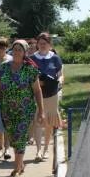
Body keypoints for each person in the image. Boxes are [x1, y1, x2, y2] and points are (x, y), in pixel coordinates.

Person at [0, 39, 45, 177]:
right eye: (14, 49)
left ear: (25, 52)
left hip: (24, 110)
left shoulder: (30, 69)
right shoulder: (3, 67)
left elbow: (37, 91)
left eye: (19, 50)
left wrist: (41, 111)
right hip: (7, 110)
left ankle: (16, 171)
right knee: (14, 138)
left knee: (20, 138)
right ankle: (20, 165)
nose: (16, 52)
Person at [29, 32, 64, 161]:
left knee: (49, 123)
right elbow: (28, 76)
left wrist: (60, 80)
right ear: (37, 44)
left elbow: (60, 74)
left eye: (45, 43)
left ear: (50, 44)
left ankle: (46, 150)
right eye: (40, 43)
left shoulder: (55, 58)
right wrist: (38, 82)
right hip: (37, 95)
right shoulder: (32, 58)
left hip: (52, 94)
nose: (43, 45)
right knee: (38, 122)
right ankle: (38, 151)